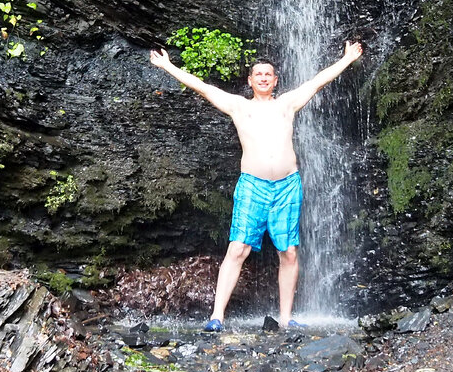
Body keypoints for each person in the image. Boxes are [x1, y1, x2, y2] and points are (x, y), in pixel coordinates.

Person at [149, 41, 363, 331]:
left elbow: (317, 82)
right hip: (253, 186)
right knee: (237, 248)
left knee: (288, 252)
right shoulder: (238, 106)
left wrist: (348, 59)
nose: (263, 78)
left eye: (268, 74)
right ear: (250, 81)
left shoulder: (287, 104)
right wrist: (168, 66)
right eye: (258, 74)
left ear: (275, 81)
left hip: (288, 185)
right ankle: (217, 317)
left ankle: (286, 318)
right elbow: (201, 86)